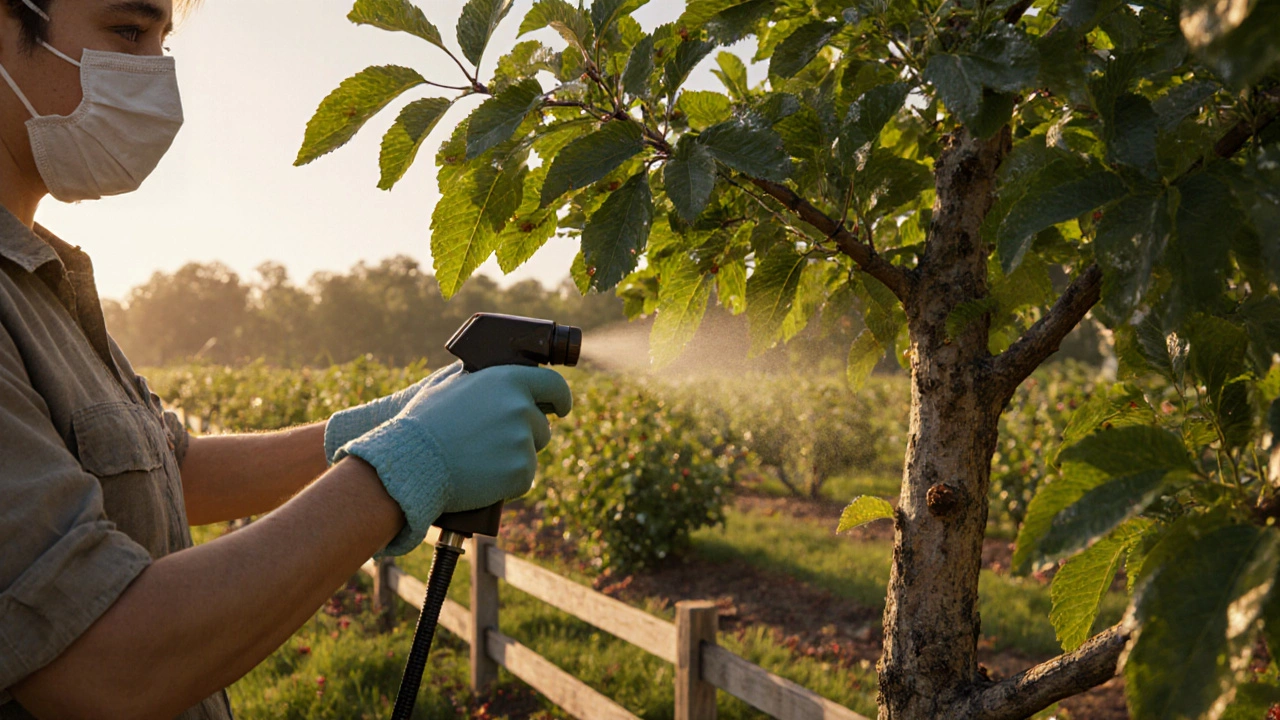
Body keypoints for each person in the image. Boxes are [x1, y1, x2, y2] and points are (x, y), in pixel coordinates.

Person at [0, 1, 573, 717]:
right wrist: (404, 466)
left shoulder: (40, 276)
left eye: (161, 42)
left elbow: (163, 470)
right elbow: (101, 666)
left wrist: (374, 427)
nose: (157, 78)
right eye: (126, 33)